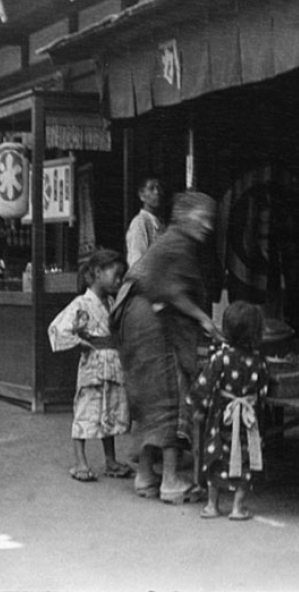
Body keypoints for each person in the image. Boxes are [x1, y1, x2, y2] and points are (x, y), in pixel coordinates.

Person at [112, 191, 221, 504]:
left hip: (133, 317)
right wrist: (203, 318)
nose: (207, 226)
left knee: (147, 395)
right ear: (184, 217)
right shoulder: (178, 242)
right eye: (202, 219)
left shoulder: (169, 240)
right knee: (171, 394)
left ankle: (145, 475)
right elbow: (170, 290)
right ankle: (171, 480)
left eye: (210, 221)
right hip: (149, 318)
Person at [48, 248, 132, 482]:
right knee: (86, 410)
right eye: (115, 275)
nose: (118, 281)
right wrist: (80, 341)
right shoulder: (81, 304)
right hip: (93, 365)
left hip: (113, 362)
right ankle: (80, 461)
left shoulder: (113, 302)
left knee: (109, 410)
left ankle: (111, 460)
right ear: (97, 272)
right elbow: (58, 328)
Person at [189, 300, 269, 520]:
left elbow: (203, 385)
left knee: (216, 456)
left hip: (220, 418)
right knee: (244, 459)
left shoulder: (219, 358)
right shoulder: (259, 361)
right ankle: (237, 508)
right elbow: (263, 390)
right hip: (246, 420)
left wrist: (198, 408)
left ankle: (212, 505)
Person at [125, 177, 165, 268]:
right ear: (142, 195)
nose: (157, 192)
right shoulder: (140, 222)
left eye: (159, 188)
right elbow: (137, 260)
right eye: (151, 189)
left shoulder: (160, 223)